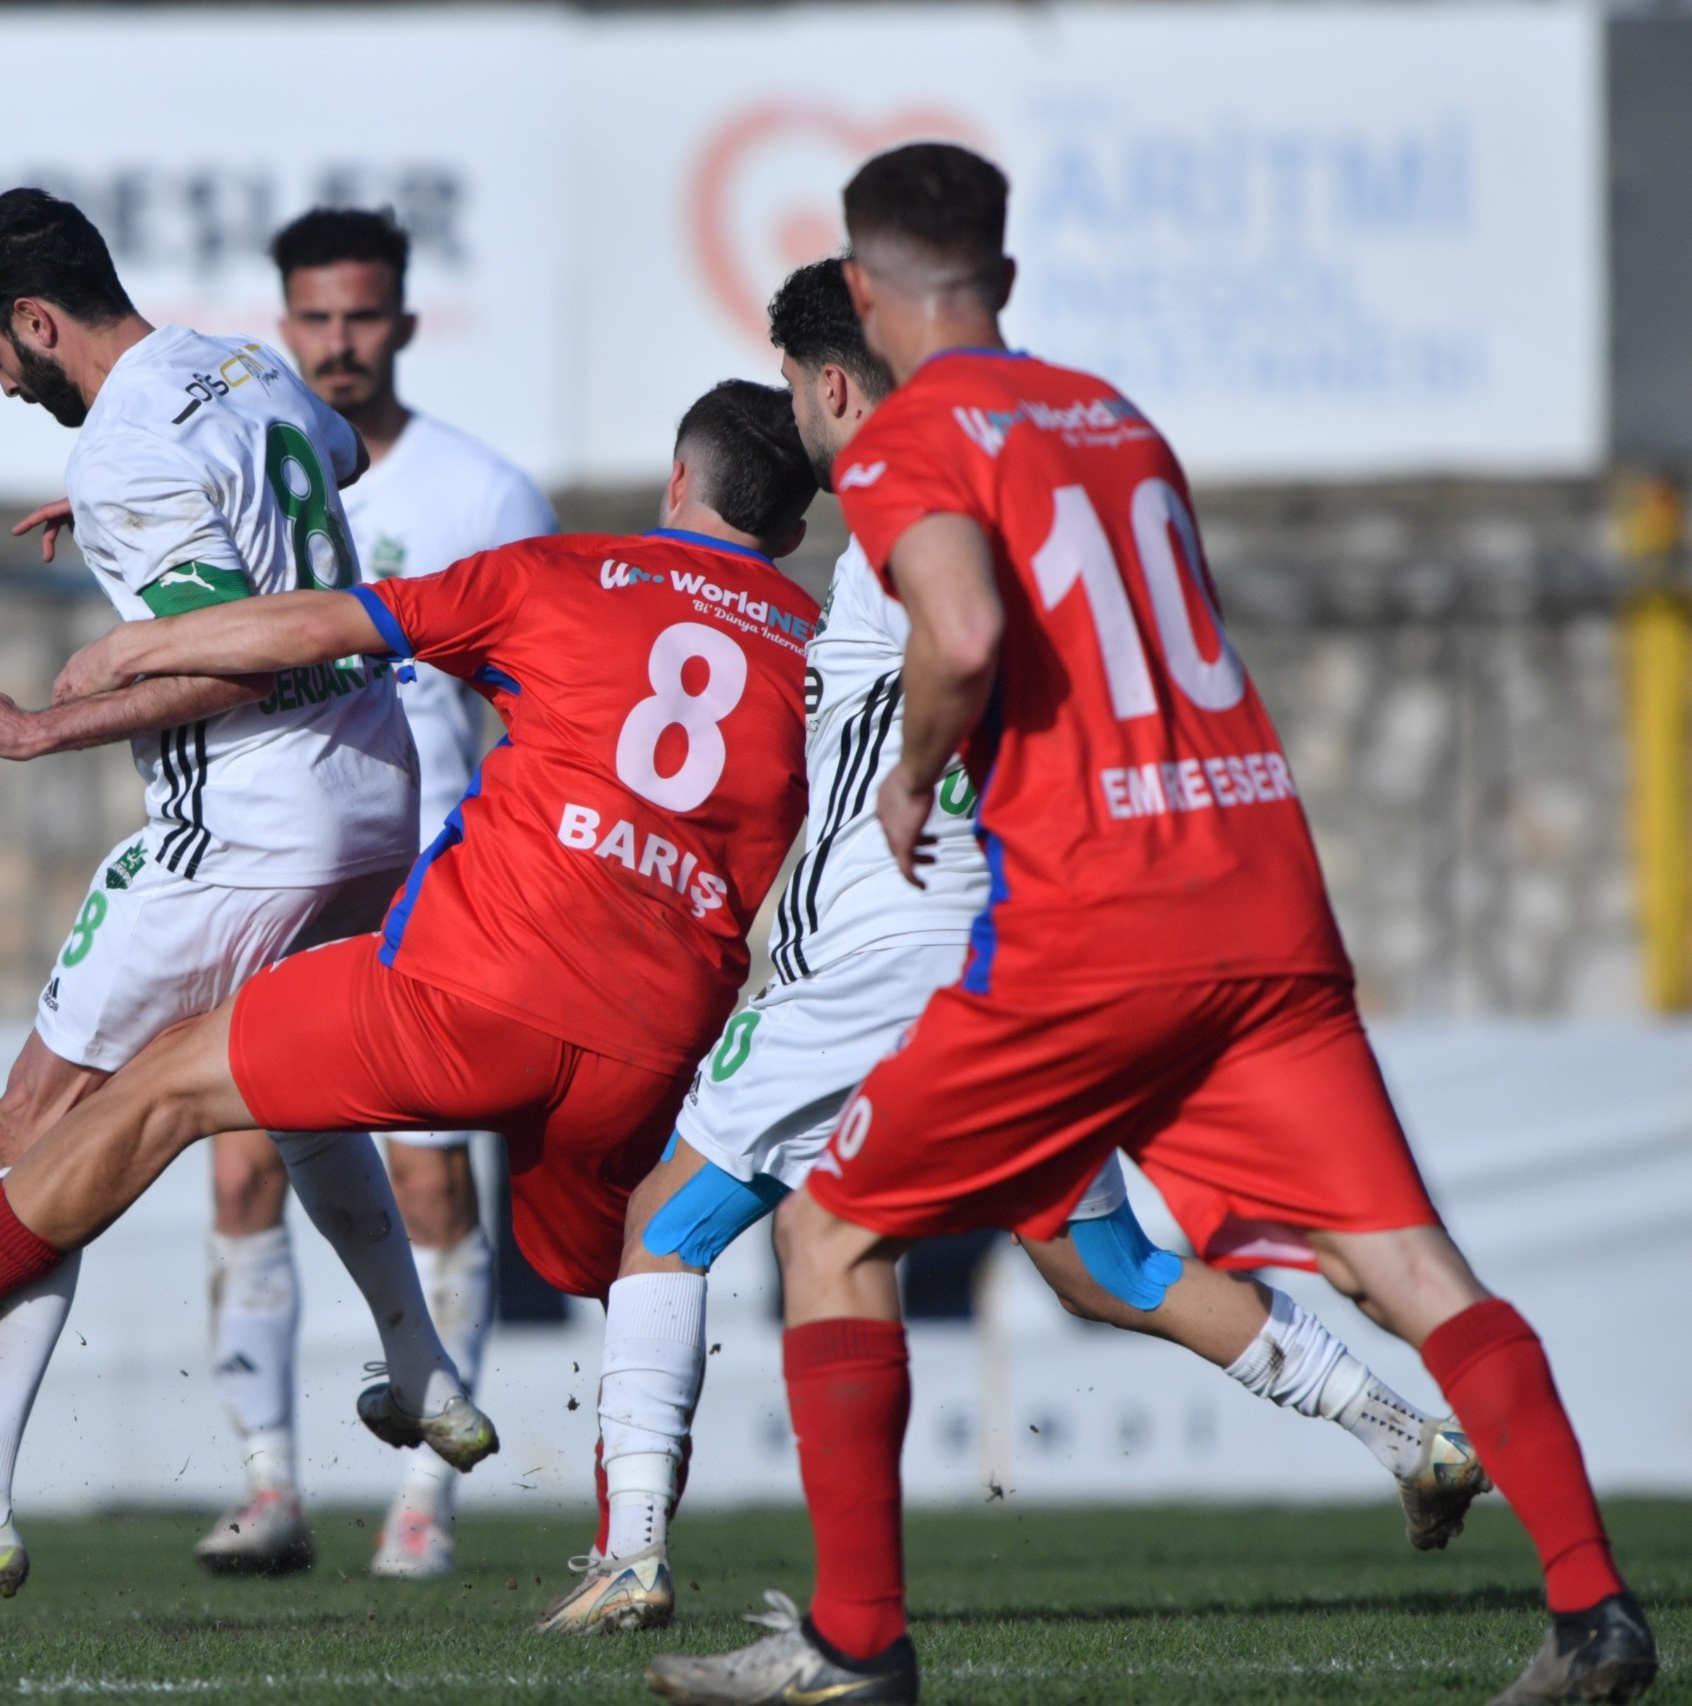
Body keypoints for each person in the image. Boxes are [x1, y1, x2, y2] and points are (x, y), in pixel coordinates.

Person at [646, 145, 1656, 1706]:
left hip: (1098, 916)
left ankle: (856, 1647)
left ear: (860, 293)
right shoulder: (1113, 417)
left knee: (831, 1227)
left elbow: (966, 629)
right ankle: (1595, 1610)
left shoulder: (912, 434)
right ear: (1009, 279)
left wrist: (916, 773)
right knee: (1406, 1262)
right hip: (1264, 886)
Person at [535, 260, 1487, 1640]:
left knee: (671, 1223)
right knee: (1103, 1265)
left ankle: (634, 1551)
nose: (802, 427)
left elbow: (947, 646)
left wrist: (895, 777)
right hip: (999, 952)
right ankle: (1402, 1428)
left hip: (870, 940)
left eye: (806, 392)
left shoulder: (893, 512)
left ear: (835, 384)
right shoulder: (1026, 508)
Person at [0, 384, 828, 1598]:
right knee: (643, 1258)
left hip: (471, 995)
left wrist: (142, 638)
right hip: (652, 1040)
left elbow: (323, 624)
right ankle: (628, 1544)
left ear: (673, 485)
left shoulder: (564, 571)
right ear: (794, 532)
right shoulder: (824, 641)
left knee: (163, 1081)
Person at [0, 187, 471, 1625]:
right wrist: (158, 534)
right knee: (290, 1085)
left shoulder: (126, 449)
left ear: (36, 320)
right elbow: (322, 466)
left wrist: (37, 723)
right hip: (375, 794)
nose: (5, 381)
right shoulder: (241, 366)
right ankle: (420, 1366)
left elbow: (232, 665)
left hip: (252, 818)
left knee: (34, 1128)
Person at [196, 207, 559, 1582]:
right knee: (237, 1154)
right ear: (284, 324)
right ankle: (268, 1483)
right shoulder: (243, 474)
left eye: (361, 317)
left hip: (427, 886)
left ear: (403, 321)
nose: (338, 343)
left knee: (429, 1180)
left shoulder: (482, 495)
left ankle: (424, 1501)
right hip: (273, 869)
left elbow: (537, 713)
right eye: (315, 319)